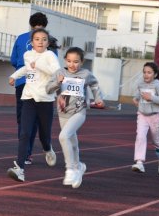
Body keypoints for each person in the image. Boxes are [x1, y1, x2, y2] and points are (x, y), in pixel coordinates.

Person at [7, 28, 60, 182]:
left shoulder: (50, 55)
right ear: (32, 42)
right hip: (28, 98)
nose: (40, 42)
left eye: (44, 39)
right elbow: (27, 68)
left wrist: (39, 65)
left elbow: (56, 72)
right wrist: (14, 76)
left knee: (44, 136)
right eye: (37, 39)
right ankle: (20, 169)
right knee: (24, 133)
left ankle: (47, 148)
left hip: (45, 100)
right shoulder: (27, 55)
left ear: (48, 42)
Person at [47, 47, 104, 188]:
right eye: (69, 61)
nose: (72, 65)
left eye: (76, 62)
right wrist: (57, 83)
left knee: (63, 136)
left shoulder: (85, 74)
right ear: (65, 60)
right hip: (63, 113)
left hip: (79, 112)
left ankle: (71, 169)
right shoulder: (59, 73)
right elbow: (47, 89)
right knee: (72, 142)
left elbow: (94, 84)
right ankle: (79, 167)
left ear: (82, 62)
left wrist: (98, 98)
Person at [10, 12, 49, 165]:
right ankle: (27, 154)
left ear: (30, 24)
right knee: (35, 121)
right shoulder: (48, 41)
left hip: (21, 83)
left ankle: (22, 153)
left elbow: (14, 60)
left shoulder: (20, 38)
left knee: (22, 120)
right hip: (40, 85)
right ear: (45, 25)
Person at [131, 62, 159, 174]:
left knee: (157, 141)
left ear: (155, 74)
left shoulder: (157, 85)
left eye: (149, 72)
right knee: (140, 137)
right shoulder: (140, 83)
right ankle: (139, 162)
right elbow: (138, 95)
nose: (146, 75)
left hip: (156, 116)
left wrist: (151, 98)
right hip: (142, 115)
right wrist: (135, 99)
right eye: (144, 72)